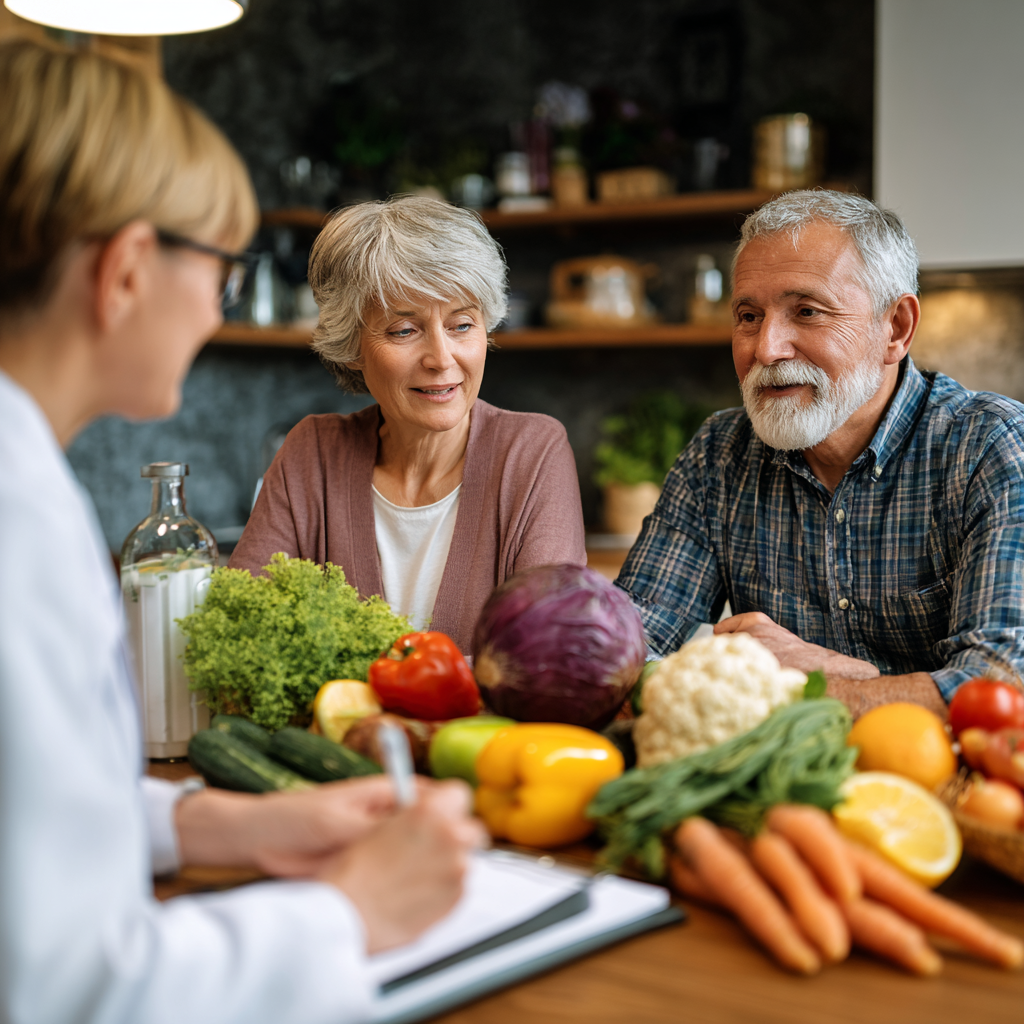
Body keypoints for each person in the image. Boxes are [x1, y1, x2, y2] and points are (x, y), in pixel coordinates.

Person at [0, 39, 484, 1024]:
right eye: (220, 261)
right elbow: (67, 989)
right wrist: (348, 912)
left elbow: (30, 822)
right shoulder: (17, 521)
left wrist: (223, 824)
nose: (223, 297)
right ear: (127, 269)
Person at [617, 190, 1024, 719]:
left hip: (948, 790)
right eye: (748, 316)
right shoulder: (719, 454)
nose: (766, 348)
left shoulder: (992, 447)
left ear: (895, 328)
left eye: (807, 311)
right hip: (782, 790)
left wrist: (825, 683)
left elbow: (1003, 686)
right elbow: (622, 652)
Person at [229, 197, 587, 652]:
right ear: (353, 346)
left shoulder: (533, 451)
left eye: (461, 325)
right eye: (404, 330)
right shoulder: (312, 454)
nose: (442, 359)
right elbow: (245, 635)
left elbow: (548, 652)